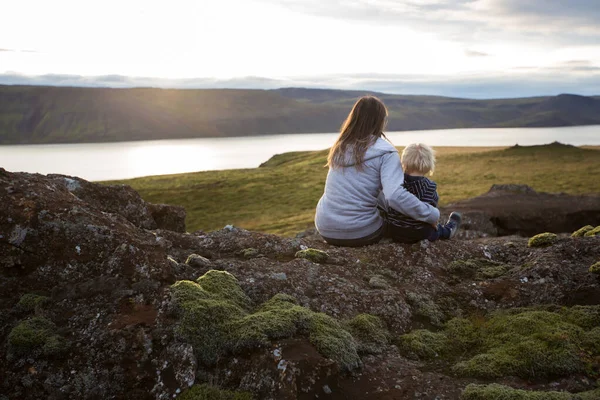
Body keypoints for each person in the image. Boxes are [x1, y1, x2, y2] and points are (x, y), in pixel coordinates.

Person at [314, 96, 440, 247]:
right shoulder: (386, 152)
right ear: (380, 121)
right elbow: (394, 196)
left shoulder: (340, 147)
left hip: (325, 228)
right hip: (360, 232)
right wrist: (432, 214)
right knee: (406, 227)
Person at [381, 143, 461, 243]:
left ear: (404, 162)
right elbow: (431, 211)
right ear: (429, 164)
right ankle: (448, 231)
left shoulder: (395, 184)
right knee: (436, 230)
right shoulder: (430, 186)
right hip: (419, 233)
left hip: (395, 231)